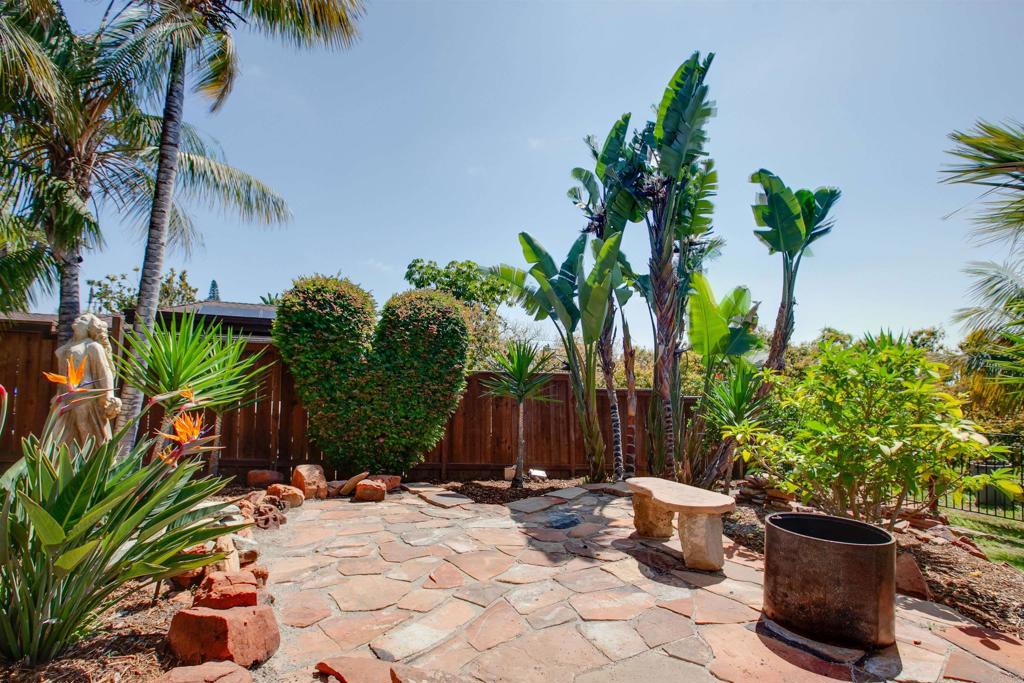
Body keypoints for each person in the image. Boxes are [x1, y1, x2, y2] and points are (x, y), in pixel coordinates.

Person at [52, 313, 122, 447]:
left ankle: (90, 457)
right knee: (59, 433)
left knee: (85, 430)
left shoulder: (92, 346)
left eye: (83, 319)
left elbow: (104, 371)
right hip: (65, 395)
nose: (77, 319)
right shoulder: (69, 345)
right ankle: (63, 458)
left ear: (90, 328)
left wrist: (109, 396)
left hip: (84, 395)